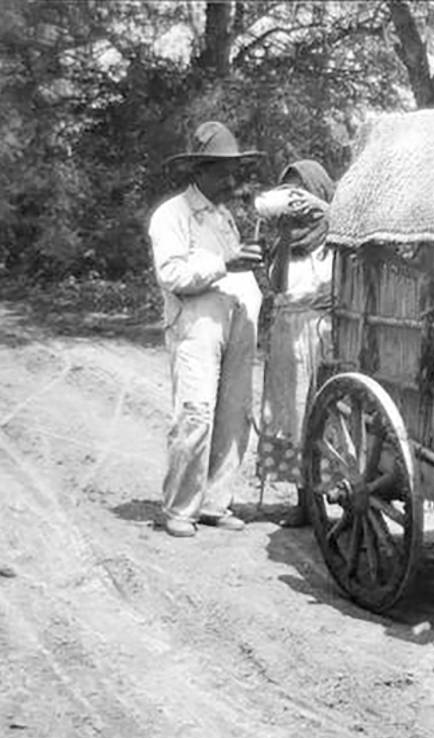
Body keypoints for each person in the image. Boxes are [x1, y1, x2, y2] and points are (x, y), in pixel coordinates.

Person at [148, 121, 265, 537]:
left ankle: (216, 501)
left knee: (234, 413)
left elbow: (239, 268)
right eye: (222, 170)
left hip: (236, 320)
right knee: (195, 411)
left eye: (234, 170)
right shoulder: (173, 215)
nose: (232, 179)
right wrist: (225, 264)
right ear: (198, 170)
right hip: (196, 323)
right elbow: (173, 273)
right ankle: (180, 508)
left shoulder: (224, 218)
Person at [255, 160, 336, 527]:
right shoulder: (287, 243)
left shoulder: (336, 240)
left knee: (323, 416)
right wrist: (285, 238)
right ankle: (304, 501)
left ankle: (330, 494)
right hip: (289, 333)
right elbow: (279, 286)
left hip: (322, 332)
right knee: (292, 414)